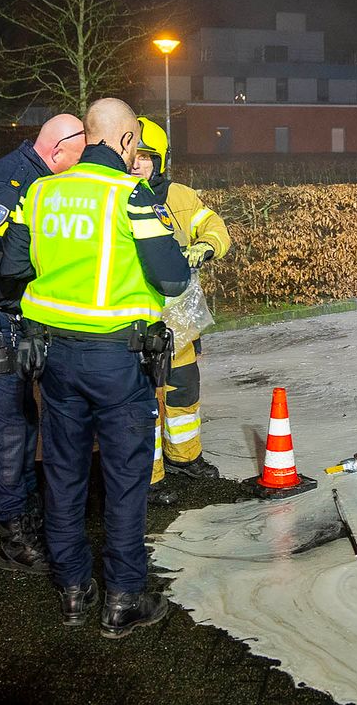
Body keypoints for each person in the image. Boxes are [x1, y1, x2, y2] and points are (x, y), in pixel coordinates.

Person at [0, 98, 190, 637]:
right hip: (119, 361)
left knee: (62, 474)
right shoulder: (133, 197)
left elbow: (13, 271)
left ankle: (74, 591)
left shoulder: (40, 193)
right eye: (137, 145)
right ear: (126, 141)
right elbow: (173, 279)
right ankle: (123, 599)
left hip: (54, 360)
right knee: (125, 482)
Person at [0, 113, 86, 575]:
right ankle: (13, 537)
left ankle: (26, 514)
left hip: (9, 321)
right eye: (78, 160)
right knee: (6, 432)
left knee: (24, 424)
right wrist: (28, 296)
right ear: (58, 151)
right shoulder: (14, 182)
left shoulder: (33, 176)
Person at [132, 117, 231, 496]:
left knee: (183, 392)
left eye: (146, 156)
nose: (138, 163)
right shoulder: (115, 196)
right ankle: (149, 478)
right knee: (146, 402)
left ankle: (185, 458)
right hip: (137, 322)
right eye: (134, 155)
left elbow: (215, 227)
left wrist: (207, 245)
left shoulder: (181, 198)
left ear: (160, 160)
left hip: (179, 324)